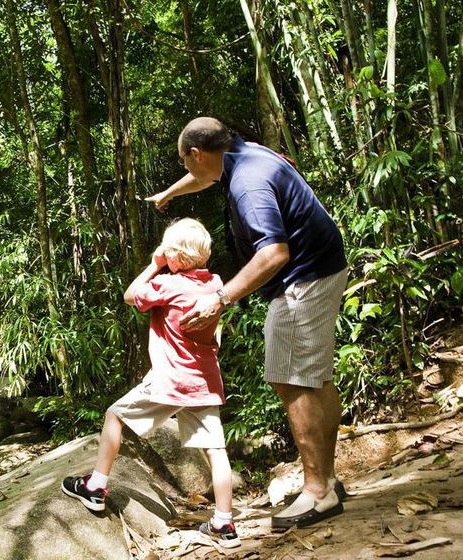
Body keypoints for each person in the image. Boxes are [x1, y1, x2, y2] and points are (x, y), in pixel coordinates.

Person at [145, 117, 348, 529]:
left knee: (292, 380)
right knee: (315, 377)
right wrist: (170, 192)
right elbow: (201, 178)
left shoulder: (248, 183)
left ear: (197, 154)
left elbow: (274, 253)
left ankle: (317, 492)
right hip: (325, 267)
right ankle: (327, 480)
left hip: (301, 281)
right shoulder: (243, 153)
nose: (189, 173)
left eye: (187, 164)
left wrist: (221, 297)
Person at [61, 218, 241, 549]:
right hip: (203, 382)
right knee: (216, 451)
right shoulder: (215, 283)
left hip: (170, 380)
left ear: (173, 255)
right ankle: (224, 524)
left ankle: (96, 487)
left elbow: (130, 295)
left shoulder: (168, 284)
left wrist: (153, 265)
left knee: (114, 415)